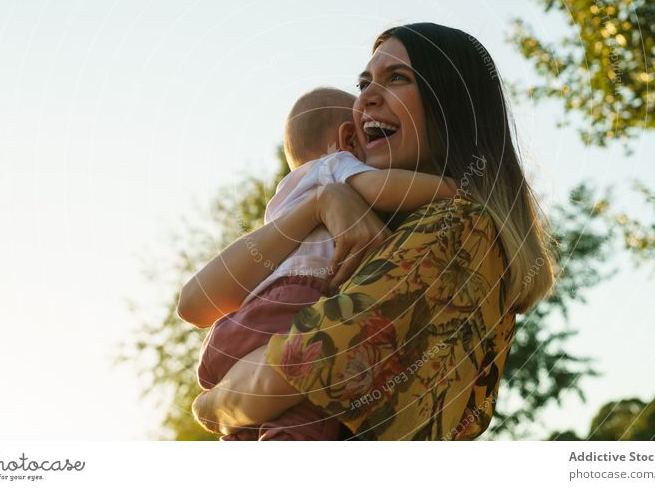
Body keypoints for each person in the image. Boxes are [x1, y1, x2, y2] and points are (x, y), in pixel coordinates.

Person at [188, 22, 556, 440]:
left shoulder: (458, 228)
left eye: (398, 78)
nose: (367, 98)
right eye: (363, 83)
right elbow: (194, 303)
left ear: (452, 106)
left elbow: (291, 373)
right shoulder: (370, 216)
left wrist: (210, 405)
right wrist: (319, 203)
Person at [183, 86, 458, 440]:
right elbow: (379, 187)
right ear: (346, 138)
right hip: (300, 300)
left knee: (257, 426)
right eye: (367, 133)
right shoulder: (336, 165)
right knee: (315, 405)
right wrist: (452, 188)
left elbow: (198, 307)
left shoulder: (291, 193)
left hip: (242, 326)